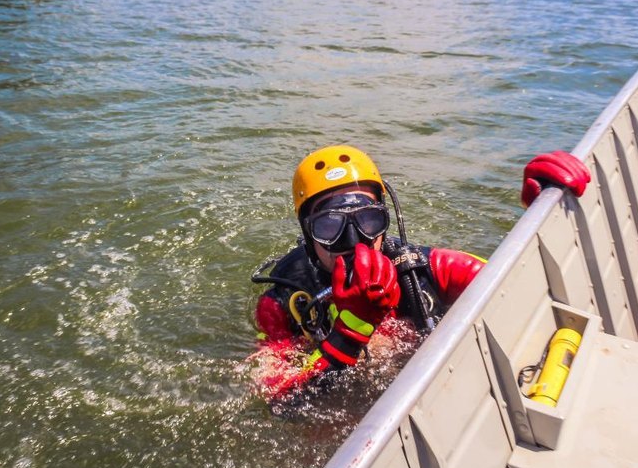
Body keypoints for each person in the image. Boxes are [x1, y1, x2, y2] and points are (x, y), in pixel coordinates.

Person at [250, 145, 590, 400]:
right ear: (308, 235)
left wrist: (541, 216)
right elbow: (278, 399)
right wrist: (348, 335)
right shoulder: (284, 300)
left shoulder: (425, 269)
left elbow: (521, 285)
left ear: (386, 218)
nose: (354, 242)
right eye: (330, 225)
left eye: (368, 220)